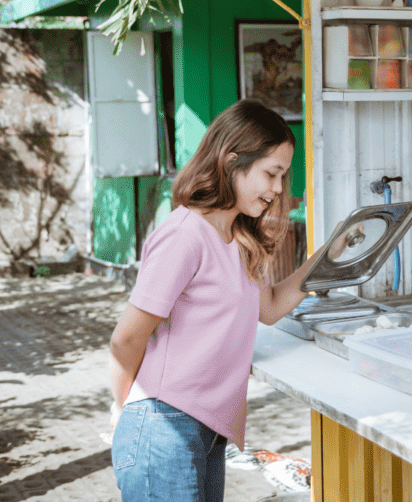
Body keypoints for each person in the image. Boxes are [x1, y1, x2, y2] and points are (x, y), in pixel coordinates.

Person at [107, 99, 347, 501]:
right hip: (163, 425)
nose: (276, 189)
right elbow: (125, 340)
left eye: (282, 177)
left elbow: (268, 308)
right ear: (231, 159)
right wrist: (127, 415)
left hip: (206, 430)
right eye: (271, 173)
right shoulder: (186, 234)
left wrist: (330, 254)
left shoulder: (238, 238)